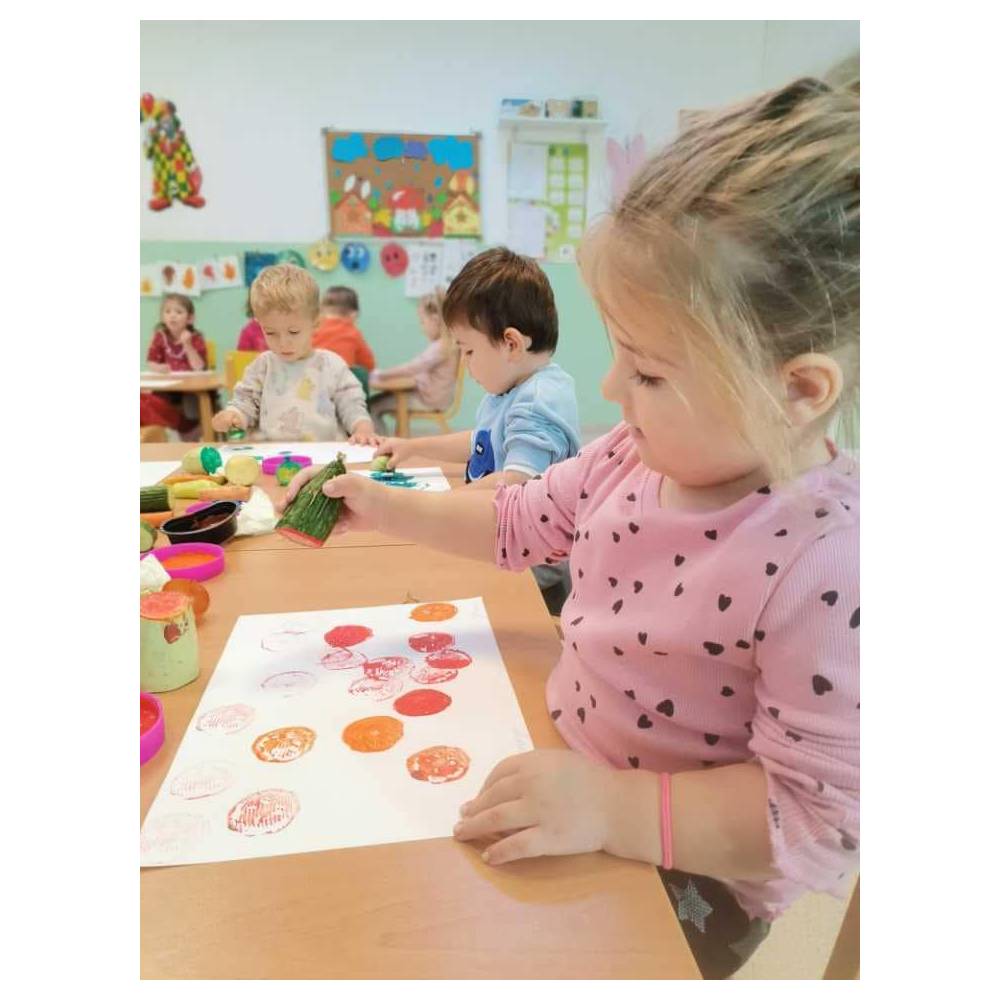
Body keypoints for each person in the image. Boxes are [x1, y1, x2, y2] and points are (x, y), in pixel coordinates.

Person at [281, 67, 860, 979]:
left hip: (679, 868)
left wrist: (614, 810)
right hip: (567, 761)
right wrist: (382, 503)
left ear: (797, 390)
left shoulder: (830, 560)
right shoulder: (633, 451)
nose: (608, 386)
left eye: (649, 370)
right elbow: (517, 522)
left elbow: (816, 821)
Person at [211, 264, 377, 444]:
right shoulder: (262, 366)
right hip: (273, 454)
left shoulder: (331, 365)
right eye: (271, 333)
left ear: (316, 321)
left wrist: (362, 429)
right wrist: (233, 416)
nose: (283, 343)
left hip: (324, 455)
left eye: (294, 332)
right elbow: (245, 403)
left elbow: (352, 406)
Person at [367, 288, 458, 433]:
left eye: (422, 322)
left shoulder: (441, 347)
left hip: (428, 400)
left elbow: (413, 367)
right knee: (377, 402)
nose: (422, 328)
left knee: (371, 407)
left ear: (435, 320)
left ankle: (378, 442)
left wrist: (381, 374)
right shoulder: (445, 345)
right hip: (431, 396)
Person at [141, 293, 208, 436]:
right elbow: (151, 361)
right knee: (148, 400)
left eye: (178, 312)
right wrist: (158, 368)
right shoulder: (160, 336)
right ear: (162, 317)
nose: (172, 316)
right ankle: (174, 426)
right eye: (168, 312)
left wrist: (188, 345)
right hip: (169, 387)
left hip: (191, 388)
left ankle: (192, 426)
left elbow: (198, 367)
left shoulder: (195, 338)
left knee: (192, 402)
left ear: (190, 318)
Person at [311, 286, 377, 372]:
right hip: (338, 377)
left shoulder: (312, 328)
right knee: (360, 373)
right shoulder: (352, 332)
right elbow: (369, 364)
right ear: (353, 314)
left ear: (320, 311)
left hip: (309, 375)